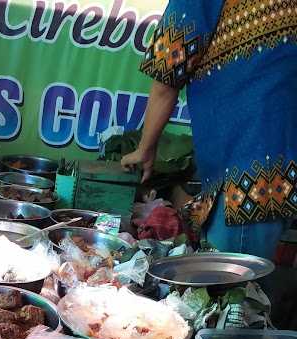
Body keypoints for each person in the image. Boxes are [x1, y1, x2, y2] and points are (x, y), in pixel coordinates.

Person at [121, 0, 297, 259]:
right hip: (279, 168)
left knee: (231, 291)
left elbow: (166, 76)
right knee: (246, 286)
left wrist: (145, 148)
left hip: (245, 178)